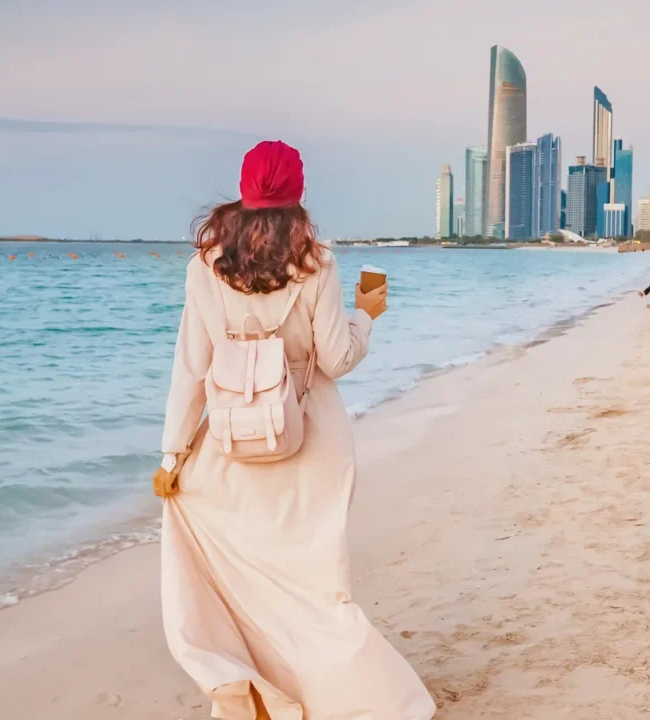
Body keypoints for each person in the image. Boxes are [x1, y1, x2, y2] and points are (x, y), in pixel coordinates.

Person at [155, 141, 436, 719]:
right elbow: (335, 359)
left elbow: (191, 365)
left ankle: (256, 689)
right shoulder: (317, 262)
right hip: (311, 441)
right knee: (315, 578)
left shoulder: (205, 265)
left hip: (231, 442)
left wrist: (172, 455)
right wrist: (367, 313)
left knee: (243, 572)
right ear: (298, 193)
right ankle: (356, 697)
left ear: (243, 189)